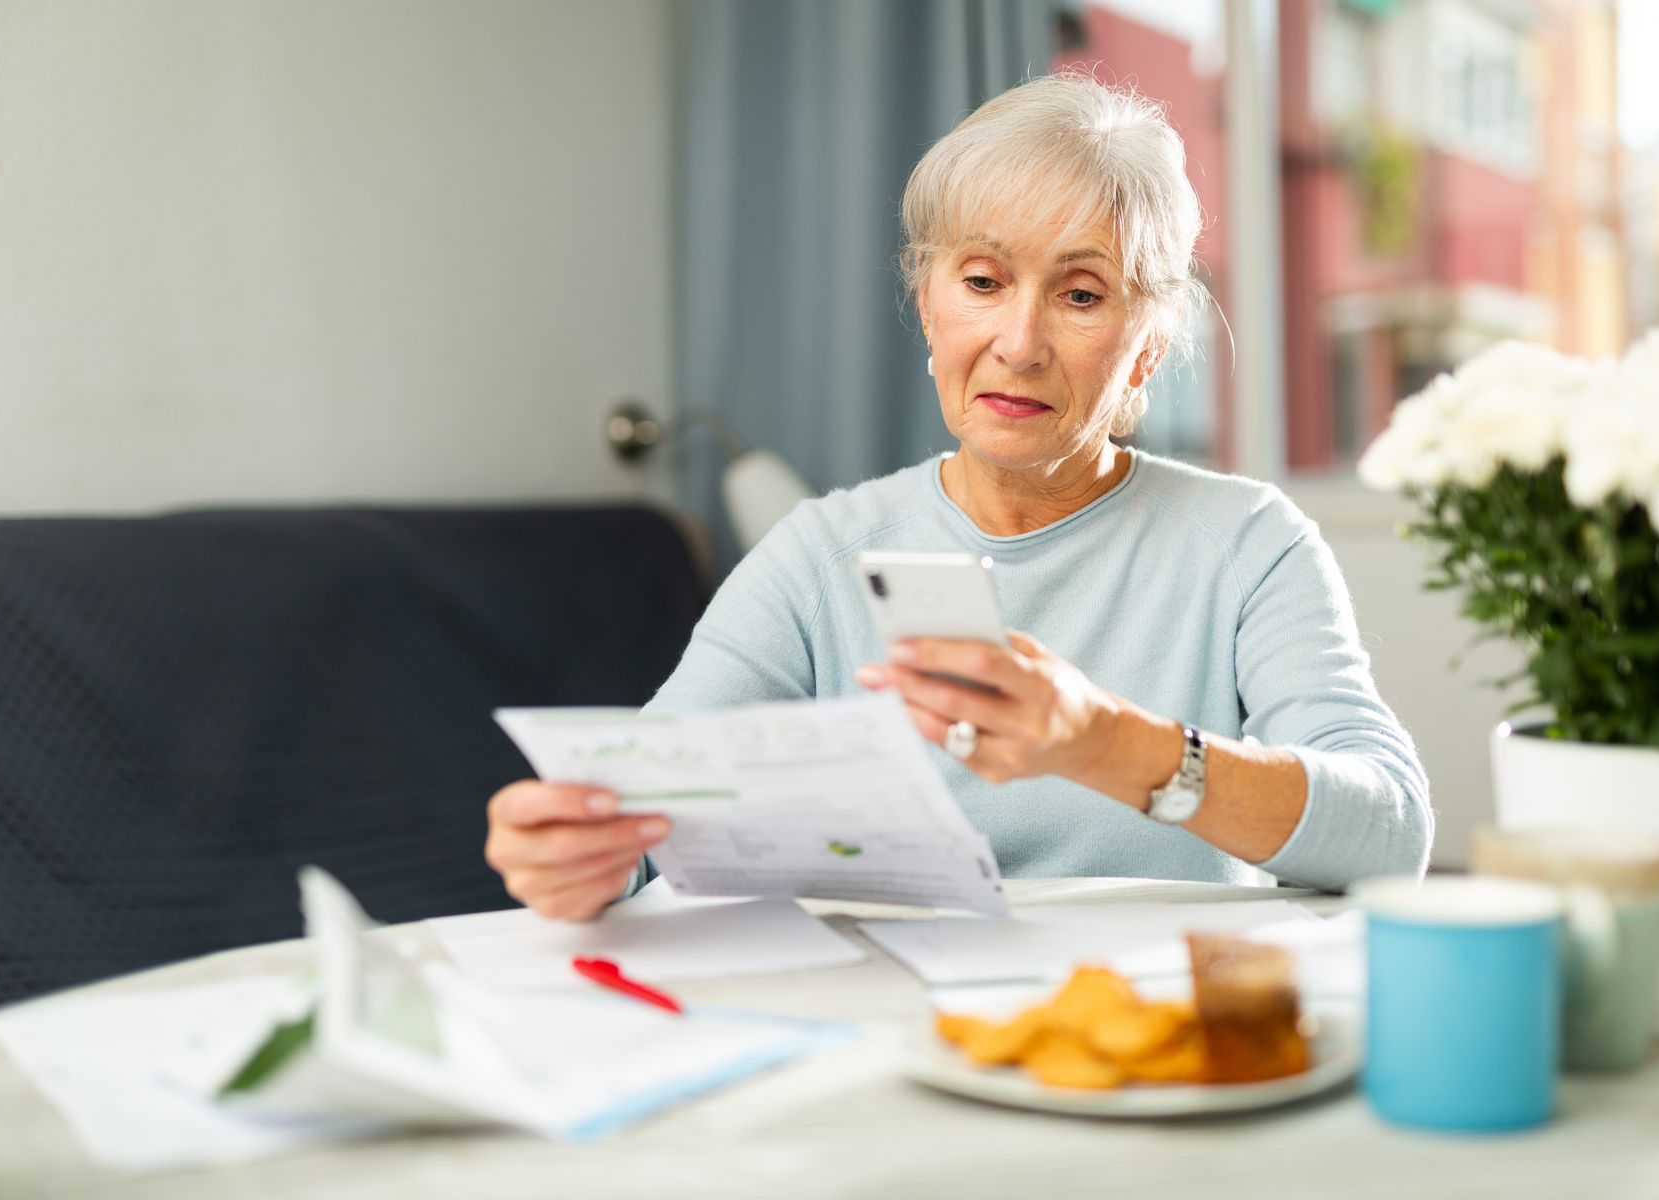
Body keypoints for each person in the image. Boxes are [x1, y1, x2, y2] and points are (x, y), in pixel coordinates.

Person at [485, 71, 1432, 920]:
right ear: (928, 299)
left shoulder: (1247, 543)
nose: (1018, 342)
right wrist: (580, 860)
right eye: (983, 280)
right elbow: (646, 819)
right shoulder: (821, 554)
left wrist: (1104, 742)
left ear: (1150, 343)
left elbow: (1390, 832)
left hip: (1153, 1036)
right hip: (894, 1038)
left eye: (1082, 295)